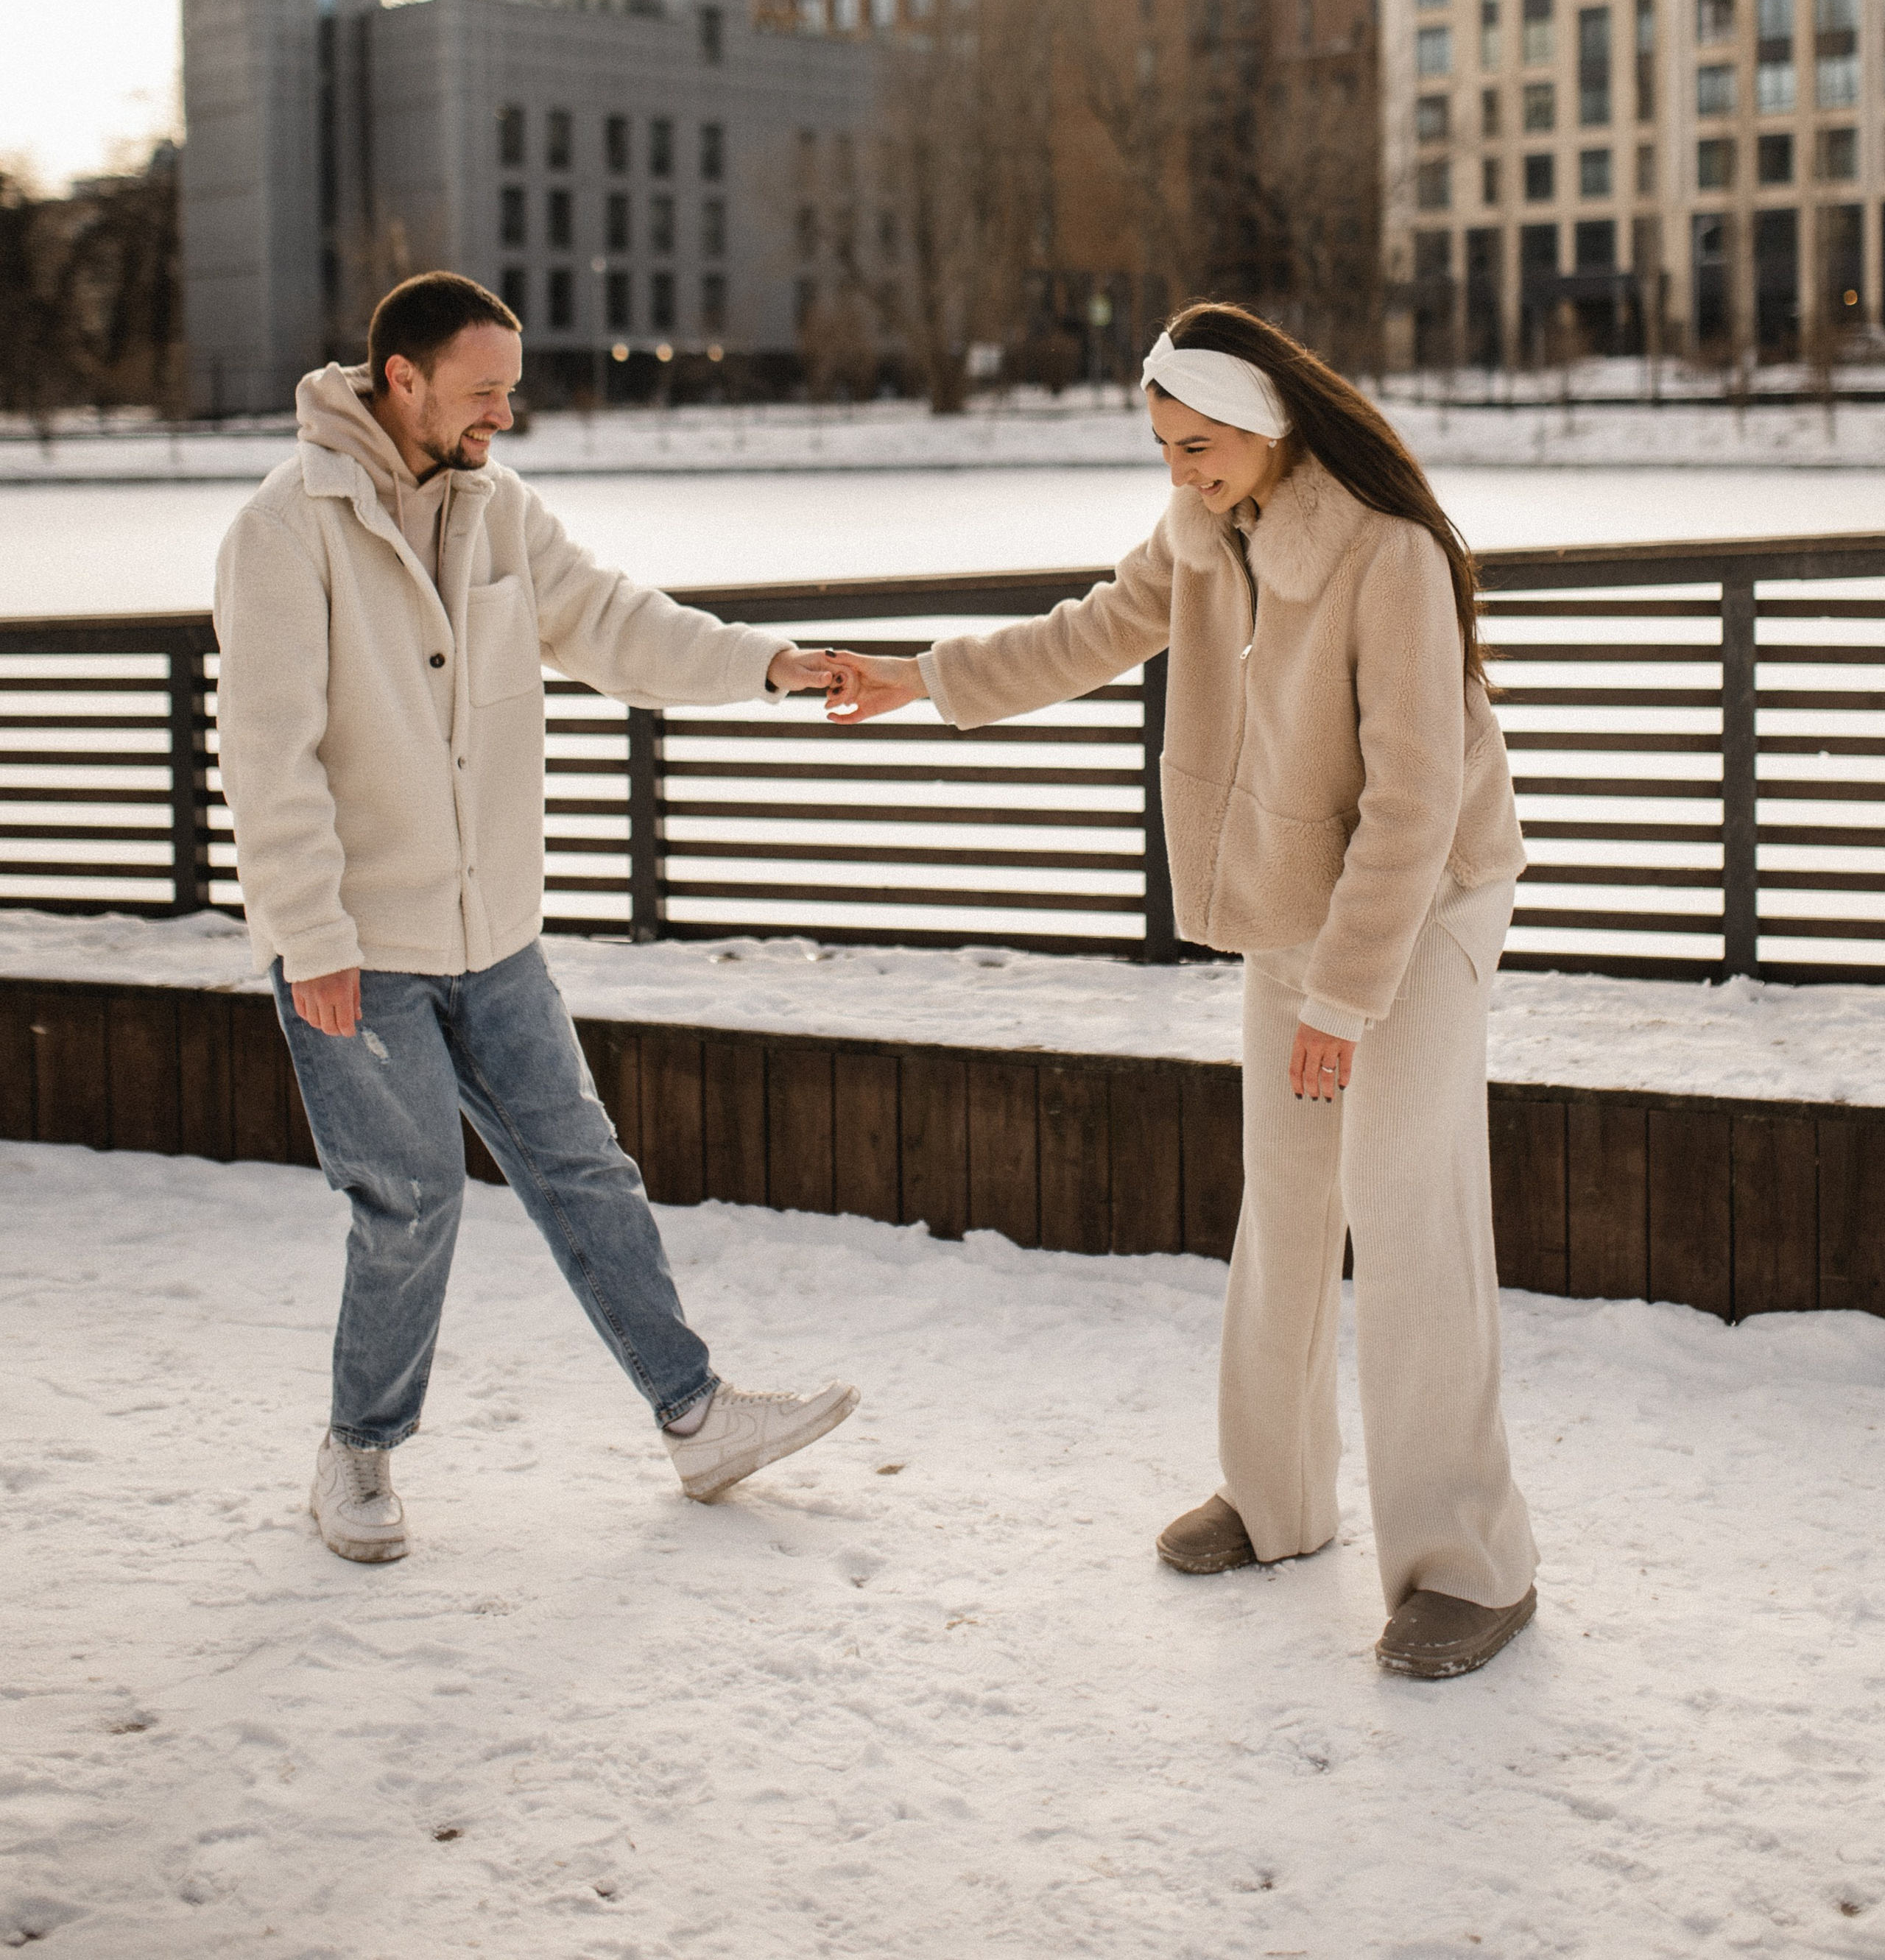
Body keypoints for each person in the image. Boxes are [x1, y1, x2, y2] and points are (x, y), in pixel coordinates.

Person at [820, 302, 1537, 1679]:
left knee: (1408, 1215)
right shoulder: (1205, 533)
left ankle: (1471, 1566)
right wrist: (919, 679)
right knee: (1286, 1195)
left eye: (1195, 445)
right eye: (1162, 447)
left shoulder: (1386, 554)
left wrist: (1343, 1002)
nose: (1177, 471)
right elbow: (1085, 633)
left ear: (1266, 424)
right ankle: (1276, 1502)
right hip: (1294, 895)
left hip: (1421, 903)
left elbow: (1415, 805)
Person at [214, 272, 858, 1565]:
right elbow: (268, 758)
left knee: (584, 1168)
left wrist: (767, 666)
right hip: (359, 949)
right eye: (484, 392)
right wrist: (312, 938)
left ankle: (696, 1417)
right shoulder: (284, 530)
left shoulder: (499, 508)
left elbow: (615, 624)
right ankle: (357, 1454)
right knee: (410, 1200)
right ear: (403, 379)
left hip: (493, 934)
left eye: (510, 390)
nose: (505, 414)